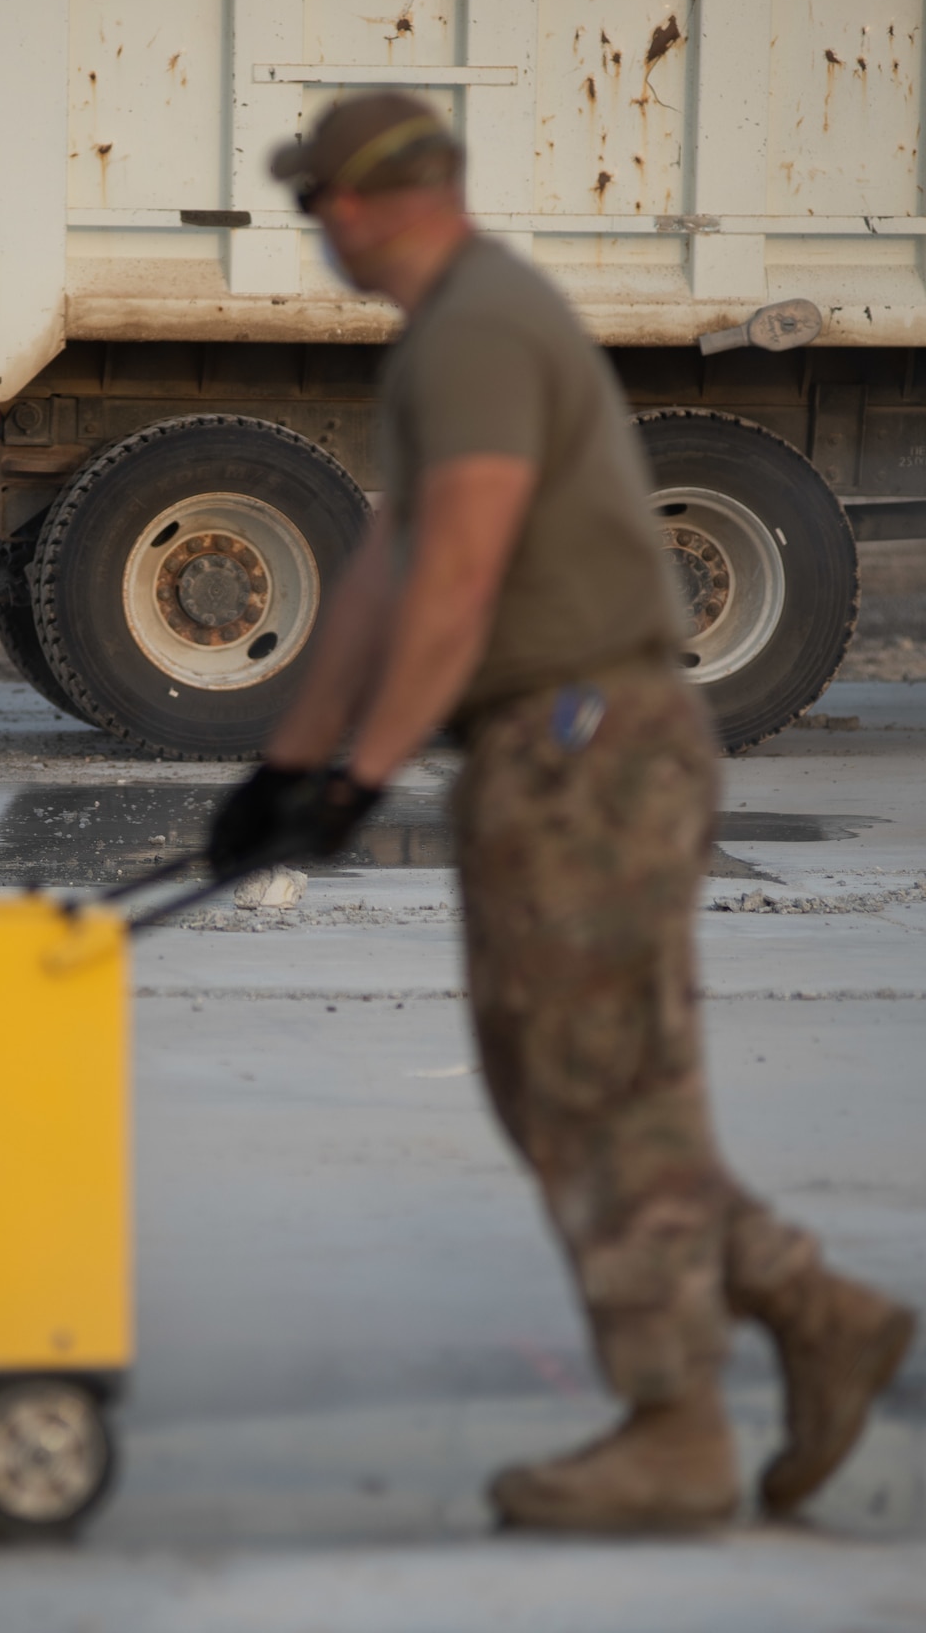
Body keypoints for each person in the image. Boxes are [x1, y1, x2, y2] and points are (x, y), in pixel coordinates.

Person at [207, 92, 914, 1532]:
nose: (312, 227)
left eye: (317, 201)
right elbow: (389, 564)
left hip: (588, 740)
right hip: (553, 747)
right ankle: (811, 1305)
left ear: (376, 199)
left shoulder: (477, 327)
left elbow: (461, 579)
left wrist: (356, 778)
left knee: (599, 1089)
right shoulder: (452, 336)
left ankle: (677, 1428)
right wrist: (285, 762)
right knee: (562, 1088)